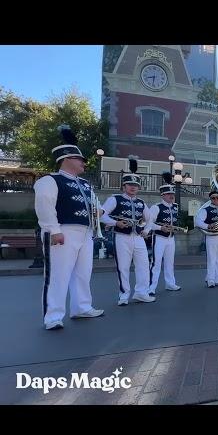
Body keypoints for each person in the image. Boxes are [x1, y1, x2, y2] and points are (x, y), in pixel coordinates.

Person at [34, 125, 104, 330]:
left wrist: (99, 212)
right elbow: (45, 205)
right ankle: (52, 317)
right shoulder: (50, 180)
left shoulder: (86, 184)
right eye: (80, 159)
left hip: (85, 232)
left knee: (83, 273)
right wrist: (54, 230)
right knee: (58, 275)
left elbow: (96, 206)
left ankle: (82, 307)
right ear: (66, 159)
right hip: (63, 230)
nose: (84, 162)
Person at [101, 157, 156, 305]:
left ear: (139, 187)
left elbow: (150, 219)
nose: (133, 187)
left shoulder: (141, 202)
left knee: (143, 265)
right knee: (123, 267)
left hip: (138, 237)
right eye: (130, 184)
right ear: (124, 186)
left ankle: (141, 293)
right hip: (121, 237)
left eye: (135, 185)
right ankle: (124, 296)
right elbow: (101, 215)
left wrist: (147, 230)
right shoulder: (115, 199)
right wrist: (115, 222)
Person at [143, 174, 182, 296]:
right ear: (163, 195)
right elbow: (148, 223)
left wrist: (175, 228)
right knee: (156, 263)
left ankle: (170, 283)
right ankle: (151, 287)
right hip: (159, 238)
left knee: (170, 262)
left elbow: (174, 221)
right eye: (169, 194)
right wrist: (161, 228)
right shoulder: (156, 207)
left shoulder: (175, 207)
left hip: (171, 238)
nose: (172, 196)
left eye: (172, 194)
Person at [195, 190, 218, 288]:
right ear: (210, 199)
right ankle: (210, 280)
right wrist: (208, 225)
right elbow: (198, 222)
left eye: (217, 198)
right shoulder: (205, 210)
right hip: (211, 237)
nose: (216, 199)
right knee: (212, 259)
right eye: (213, 198)